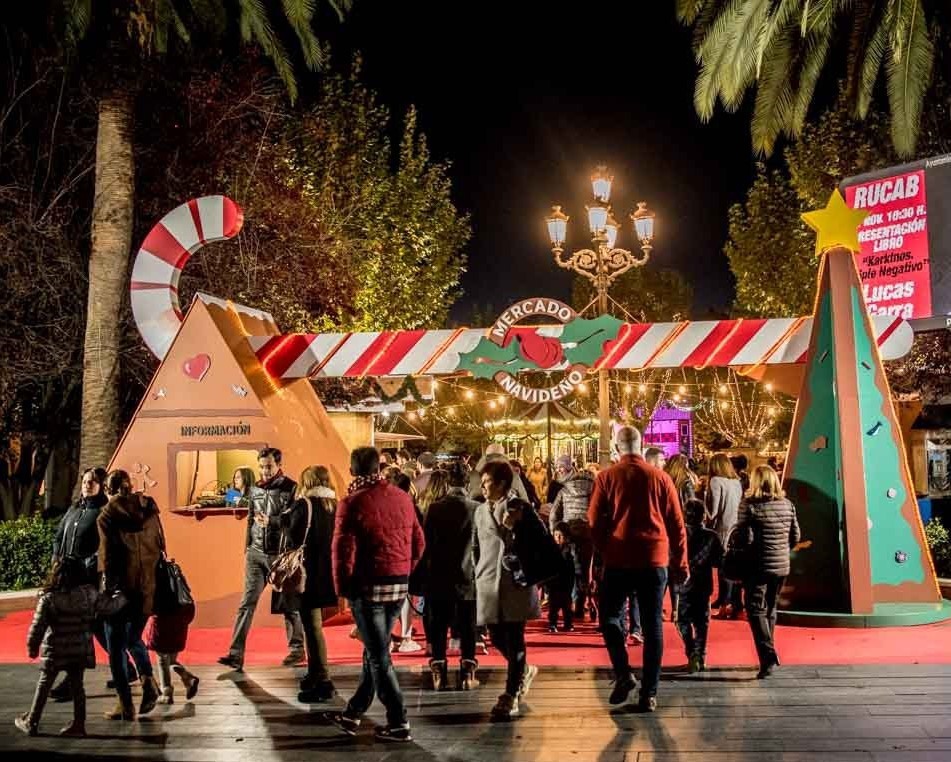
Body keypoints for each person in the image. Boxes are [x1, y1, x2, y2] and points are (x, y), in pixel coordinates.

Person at [325, 447, 425, 743]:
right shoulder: (402, 497)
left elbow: (343, 552)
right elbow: (419, 543)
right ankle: (353, 712)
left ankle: (398, 720)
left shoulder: (351, 503)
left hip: (367, 587)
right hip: (397, 585)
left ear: (353, 470)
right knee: (374, 650)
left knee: (379, 655)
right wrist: (405, 569)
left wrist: (343, 590)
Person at [588, 426, 687, 712]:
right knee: (653, 623)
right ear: (641, 446)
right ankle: (649, 692)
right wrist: (681, 562)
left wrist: (605, 548)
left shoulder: (606, 478)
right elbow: (676, 524)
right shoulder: (661, 477)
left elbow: (593, 521)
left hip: (618, 558)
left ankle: (623, 672)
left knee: (609, 616)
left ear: (618, 448)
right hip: (654, 558)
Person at [473, 460, 552, 720]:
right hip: (488, 581)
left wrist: (514, 529)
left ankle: (511, 693)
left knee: (515, 637)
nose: (483, 487)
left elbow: (540, 542)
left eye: (488, 482)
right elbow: (476, 546)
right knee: (496, 636)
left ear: (502, 484)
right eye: (482, 482)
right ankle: (524, 670)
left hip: (514, 582)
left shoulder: (521, 508)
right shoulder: (480, 511)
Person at [15, 557, 122, 737]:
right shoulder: (89, 594)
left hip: (54, 649)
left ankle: (32, 721)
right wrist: (122, 596)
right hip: (80, 648)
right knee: (77, 686)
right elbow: (109, 607)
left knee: (44, 684)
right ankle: (79, 725)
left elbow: (37, 627)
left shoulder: (48, 598)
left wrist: (32, 648)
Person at [218, 447, 304, 671]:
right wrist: (247, 546)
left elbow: (294, 520)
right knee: (246, 603)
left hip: (280, 555)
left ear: (278, 465)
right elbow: (249, 519)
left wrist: (273, 522)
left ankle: (297, 649)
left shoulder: (291, 487)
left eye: (269, 466)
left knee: (289, 604)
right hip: (255, 554)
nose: (265, 471)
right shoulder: (254, 488)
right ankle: (235, 654)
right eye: (262, 466)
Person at [98, 470, 164, 720]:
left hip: (120, 591)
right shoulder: (149, 509)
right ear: (130, 485)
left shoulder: (107, 515)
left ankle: (126, 705)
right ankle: (148, 682)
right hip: (147, 586)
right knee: (134, 637)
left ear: (107, 489)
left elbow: (107, 557)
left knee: (115, 648)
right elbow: (159, 545)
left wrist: (107, 590)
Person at [48, 467, 109, 702]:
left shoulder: (102, 511)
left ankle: (72, 682)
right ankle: (125, 666)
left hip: (86, 580)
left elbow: (103, 546)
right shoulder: (75, 509)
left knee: (86, 628)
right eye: (85, 481)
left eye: (92, 482)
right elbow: (58, 535)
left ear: (101, 485)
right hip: (66, 577)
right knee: (89, 628)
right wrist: (56, 558)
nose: (87, 485)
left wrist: (89, 564)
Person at [736, 465, 800, 679]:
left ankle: (768, 654)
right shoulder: (787, 504)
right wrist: (782, 550)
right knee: (771, 607)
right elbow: (796, 536)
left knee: (755, 610)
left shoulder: (749, 506)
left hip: (756, 565)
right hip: (781, 565)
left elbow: (742, 537)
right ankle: (768, 657)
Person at [420, 465, 480, 691]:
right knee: (467, 625)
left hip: (439, 575)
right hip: (468, 575)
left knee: (438, 626)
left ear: (447, 484)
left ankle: (439, 670)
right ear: (467, 484)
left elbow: (426, 545)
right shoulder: (477, 508)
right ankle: (467, 671)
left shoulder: (435, 509)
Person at [289, 466, 339, 703]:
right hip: (327, 574)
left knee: (312, 627)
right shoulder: (334, 506)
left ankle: (322, 678)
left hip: (306, 575)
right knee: (314, 625)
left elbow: (293, 536)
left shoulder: (304, 505)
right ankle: (314, 673)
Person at [677, 499, 723, 673]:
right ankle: (700, 655)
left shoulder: (678, 534)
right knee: (702, 622)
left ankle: (691, 652)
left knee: (682, 621)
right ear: (704, 515)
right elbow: (719, 561)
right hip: (704, 585)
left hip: (683, 585)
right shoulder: (712, 537)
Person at [549, 454, 595, 619]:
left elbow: (554, 514)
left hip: (569, 532)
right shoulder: (592, 487)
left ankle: (571, 604)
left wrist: (555, 531)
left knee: (571, 570)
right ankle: (581, 606)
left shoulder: (564, 489)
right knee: (585, 569)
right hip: (588, 533)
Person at [705, 453, 744, 618]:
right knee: (734, 567)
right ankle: (733, 603)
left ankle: (724, 604)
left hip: (721, 529)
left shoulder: (715, 482)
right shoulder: (736, 482)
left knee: (724, 570)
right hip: (736, 528)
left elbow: (713, 512)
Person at [145, 589, 199, 705]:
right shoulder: (175, 571)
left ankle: (166, 692)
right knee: (171, 659)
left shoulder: (155, 573)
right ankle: (187, 678)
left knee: (162, 658)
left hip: (163, 616)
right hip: (180, 615)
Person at [547, 523, 576, 633]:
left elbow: (575, 566)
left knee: (567, 605)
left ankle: (568, 623)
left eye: (561, 536)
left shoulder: (570, 550)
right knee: (553, 605)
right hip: (553, 582)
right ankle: (552, 623)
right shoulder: (550, 549)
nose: (558, 538)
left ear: (567, 537)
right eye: (556, 535)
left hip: (567, 581)